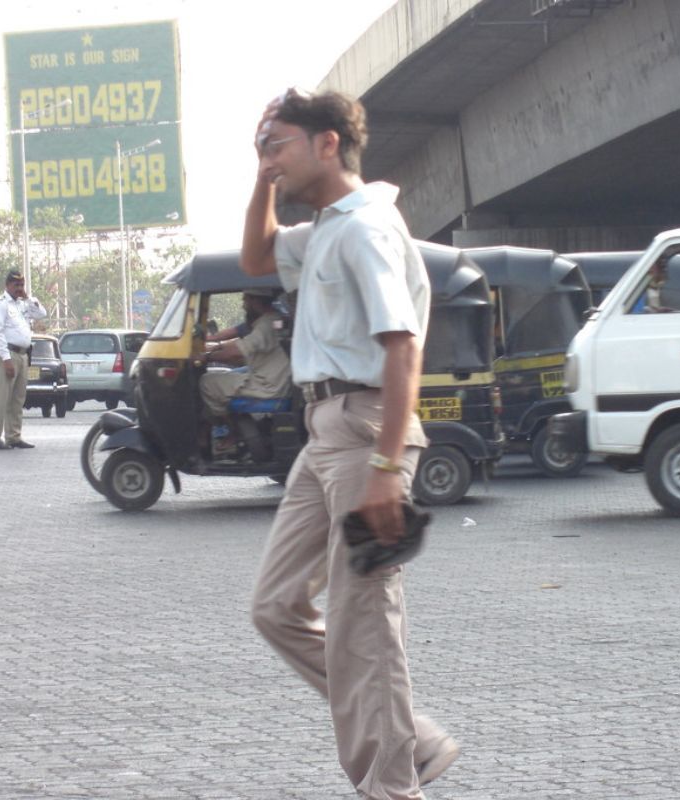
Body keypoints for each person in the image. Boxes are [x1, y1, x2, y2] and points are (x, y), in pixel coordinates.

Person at [239, 88, 458, 800]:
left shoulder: (365, 227)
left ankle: (393, 785)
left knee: (366, 623)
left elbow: (403, 349)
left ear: (327, 142)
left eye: (279, 145)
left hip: (366, 428)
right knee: (276, 607)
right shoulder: (327, 227)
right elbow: (255, 257)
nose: (270, 159)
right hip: (323, 429)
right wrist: (260, 174)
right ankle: (410, 739)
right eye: (262, 148)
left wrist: (388, 468)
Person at [199, 288, 291, 451]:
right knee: (222, 377)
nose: (243, 306)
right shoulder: (272, 320)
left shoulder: (266, 325)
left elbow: (236, 351)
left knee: (207, 383)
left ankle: (233, 433)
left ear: (256, 301)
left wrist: (205, 357)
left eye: (245, 301)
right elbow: (241, 351)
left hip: (267, 386)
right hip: (272, 379)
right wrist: (213, 350)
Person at [0, 270, 46, 450]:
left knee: (18, 399)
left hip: (23, 354)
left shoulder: (22, 304)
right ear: (7, 285)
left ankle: (13, 436)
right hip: (8, 354)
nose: (19, 288)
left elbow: (42, 313)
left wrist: (28, 297)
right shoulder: (0, 304)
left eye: (21, 285)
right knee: (2, 398)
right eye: (16, 285)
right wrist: (5, 359)